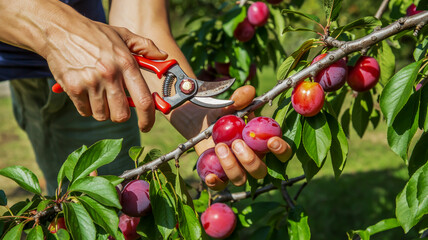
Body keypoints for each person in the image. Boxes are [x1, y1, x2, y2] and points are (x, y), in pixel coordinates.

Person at [0, 0, 292, 195]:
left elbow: (139, 17)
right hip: (31, 63)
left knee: (119, 209)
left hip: (108, 69)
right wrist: (57, 31)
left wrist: (199, 118)